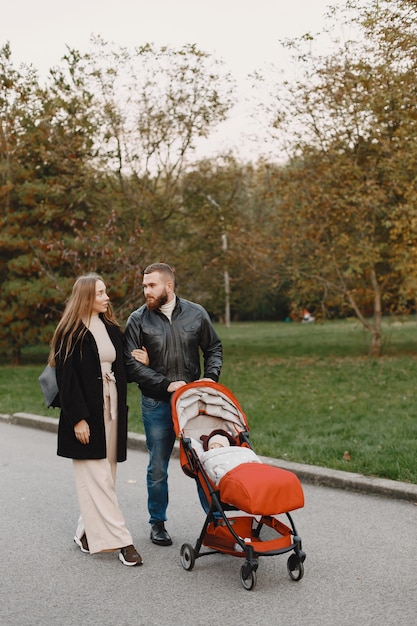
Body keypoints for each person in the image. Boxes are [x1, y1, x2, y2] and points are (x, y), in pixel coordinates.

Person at [124, 262, 223, 546]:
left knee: (203, 462)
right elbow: (130, 366)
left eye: (151, 285)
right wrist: (165, 384)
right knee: (157, 466)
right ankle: (157, 523)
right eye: (144, 286)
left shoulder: (196, 313)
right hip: (157, 404)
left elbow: (213, 347)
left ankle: (217, 522)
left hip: (192, 404)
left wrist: (210, 379)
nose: (146, 291)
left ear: (169, 285)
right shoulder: (138, 320)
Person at [50, 273, 142, 566]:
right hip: (87, 414)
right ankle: (123, 541)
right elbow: (66, 381)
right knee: (97, 478)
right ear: (87, 297)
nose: (106, 297)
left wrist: (143, 362)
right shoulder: (70, 333)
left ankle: (85, 533)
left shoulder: (111, 328)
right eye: (101, 293)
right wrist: (78, 419)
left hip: (112, 409)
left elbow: (124, 364)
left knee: (107, 476)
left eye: (105, 292)